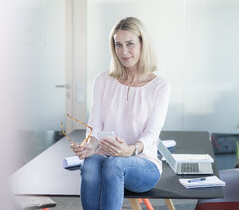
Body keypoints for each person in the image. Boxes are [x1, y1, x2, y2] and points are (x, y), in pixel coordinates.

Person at [71, 17, 171, 210]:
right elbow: (95, 125)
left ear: (143, 44)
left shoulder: (159, 86)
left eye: (130, 44)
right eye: (118, 45)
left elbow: (152, 134)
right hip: (106, 157)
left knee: (115, 164)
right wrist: (90, 145)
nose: (124, 51)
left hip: (144, 164)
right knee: (90, 164)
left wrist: (131, 150)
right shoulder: (102, 80)